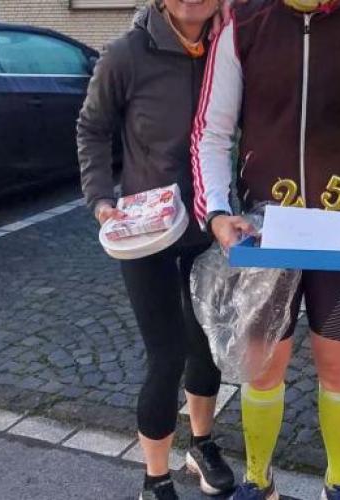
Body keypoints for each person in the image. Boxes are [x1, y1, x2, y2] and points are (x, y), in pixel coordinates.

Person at [191, 0, 340, 497]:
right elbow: (211, 131)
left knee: (338, 368)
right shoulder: (244, 24)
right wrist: (216, 211)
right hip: (266, 232)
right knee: (262, 370)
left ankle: (338, 482)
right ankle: (258, 479)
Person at [77, 1, 237, 498]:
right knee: (166, 355)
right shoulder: (126, 55)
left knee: (207, 346)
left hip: (211, 224)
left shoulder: (231, 47)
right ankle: (155, 477)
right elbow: (92, 128)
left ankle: (202, 445)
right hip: (147, 231)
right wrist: (100, 198)